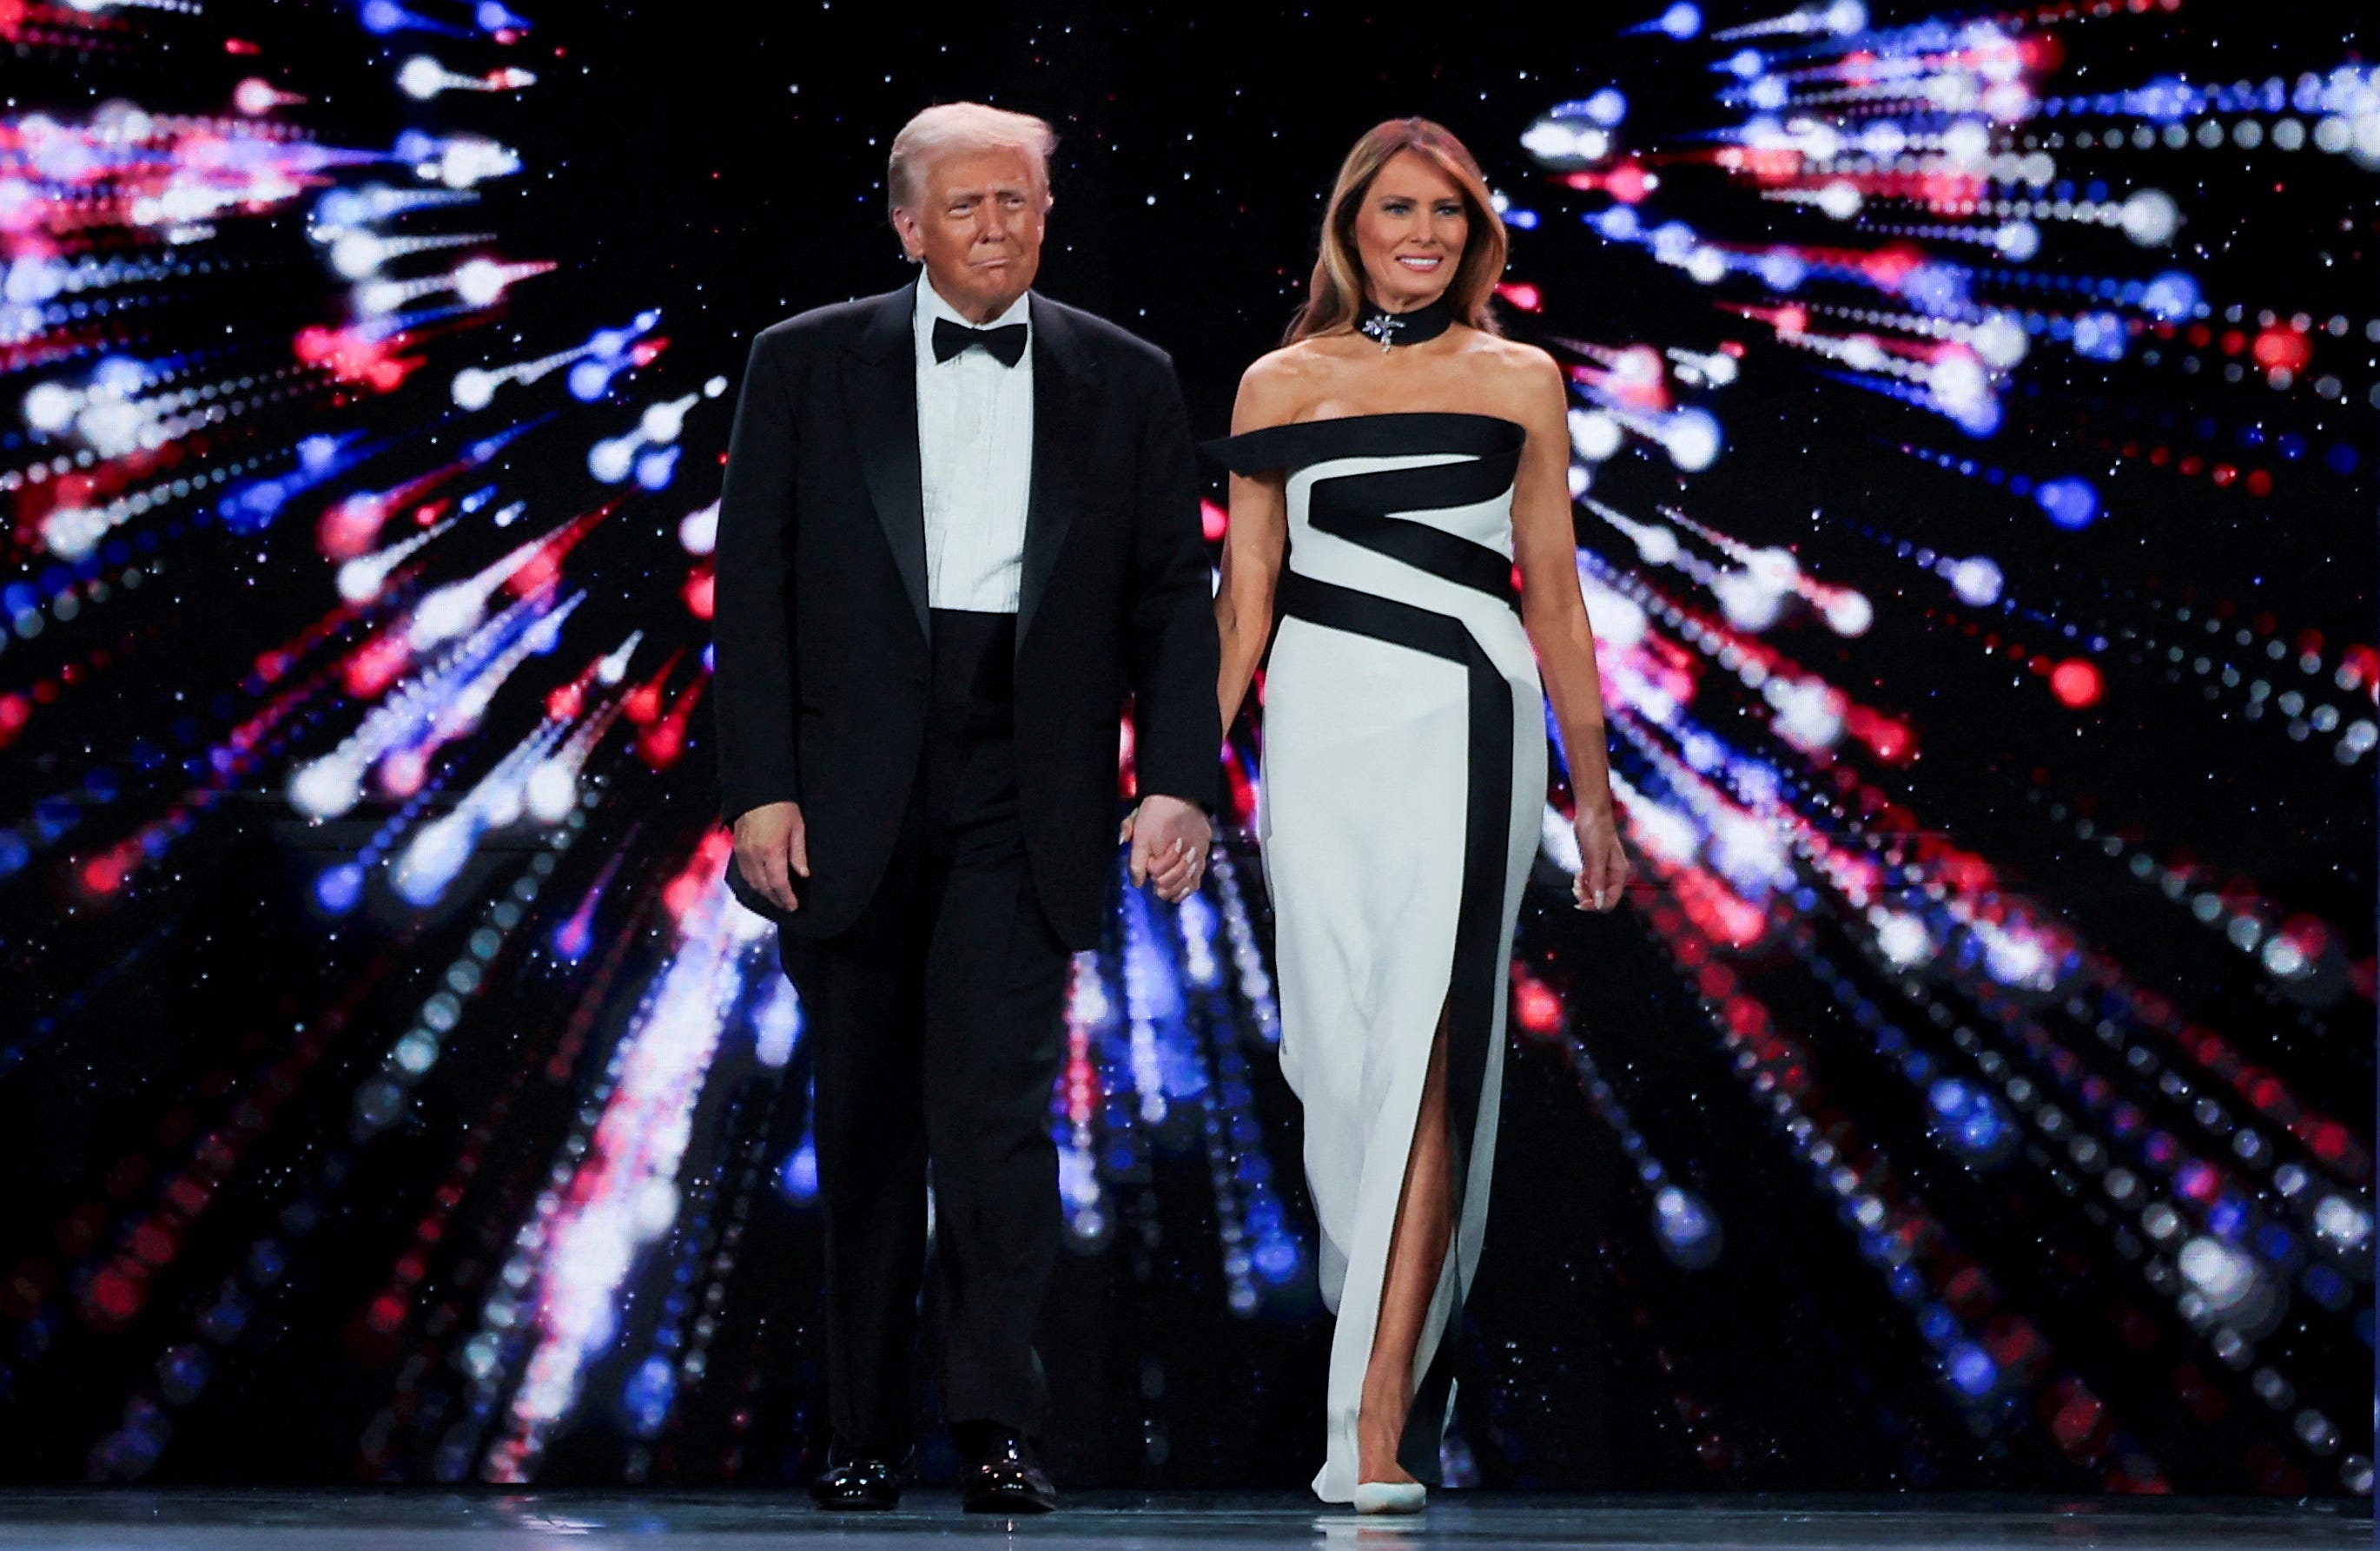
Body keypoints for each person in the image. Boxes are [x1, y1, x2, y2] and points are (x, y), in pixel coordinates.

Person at [710, 101, 1219, 1515]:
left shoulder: (1126, 376)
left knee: (998, 1123)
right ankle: (863, 1430)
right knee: (867, 1118)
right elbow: (750, 593)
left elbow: (1177, 599)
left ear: (1049, 211)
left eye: (1020, 201)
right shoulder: (805, 363)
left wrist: (1175, 774)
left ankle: (998, 1423)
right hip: (852, 786)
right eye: (967, 206)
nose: (998, 227)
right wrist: (760, 789)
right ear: (906, 222)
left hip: (1029, 779)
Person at [1207, 118, 1631, 1513]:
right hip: (1317, 731)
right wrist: (1170, 775)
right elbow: (1246, 600)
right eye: (1399, 209)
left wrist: (1598, 795)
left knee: (1426, 1056)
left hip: (1468, 717)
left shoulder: (1520, 377)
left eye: (1449, 214)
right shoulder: (1279, 381)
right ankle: (1396, 1331)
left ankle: (1373, 1419)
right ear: (1351, 224)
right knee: (1332, 1064)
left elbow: (1556, 595)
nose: (1424, 234)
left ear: (1476, 233)